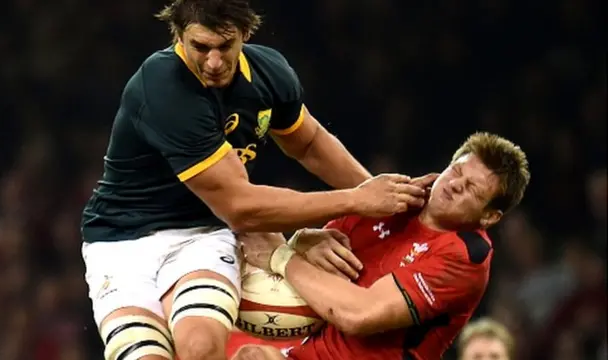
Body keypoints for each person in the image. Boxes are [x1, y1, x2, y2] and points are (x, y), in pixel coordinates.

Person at [79, 1, 432, 360]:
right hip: (121, 240)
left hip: (202, 233)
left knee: (200, 347)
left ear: (245, 34)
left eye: (224, 46)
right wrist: (356, 201)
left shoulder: (268, 73)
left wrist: (385, 197)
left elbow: (309, 145)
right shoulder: (162, 86)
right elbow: (241, 209)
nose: (213, 62)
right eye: (200, 47)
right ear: (178, 36)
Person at [234, 132, 531, 360]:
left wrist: (282, 255)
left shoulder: (466, 256)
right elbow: (317, 280)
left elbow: (359, 315)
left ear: (489, 216)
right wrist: (302, 241)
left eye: (472, 189)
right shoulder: (391, 199)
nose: (454, 185)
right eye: (455, 172)